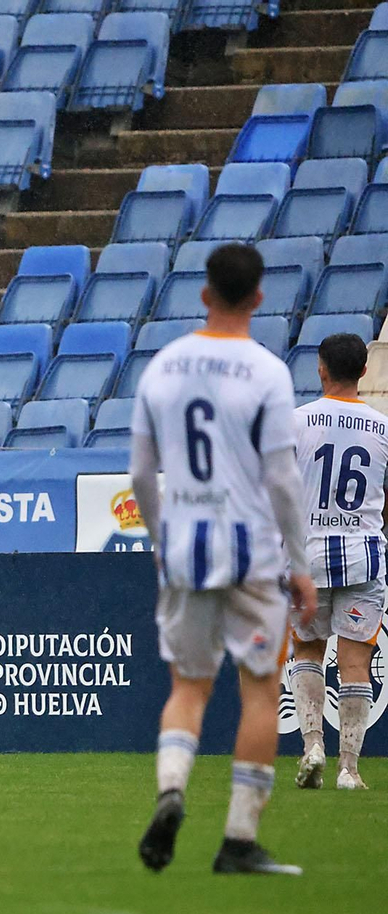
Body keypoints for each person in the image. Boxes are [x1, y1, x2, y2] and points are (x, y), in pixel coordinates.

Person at [130, 243, 318, 876]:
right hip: (251, 555)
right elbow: (283, 481)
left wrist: (163, 542)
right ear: (259, 298)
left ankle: (172, 791)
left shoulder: (163, 366)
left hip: (185, 550)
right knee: (261, 690)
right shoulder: (267, 372)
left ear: (204, 294)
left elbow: (140, 475)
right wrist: (301, 563)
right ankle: (238, 839)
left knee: (189, 686)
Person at [288, 332, 388, 791]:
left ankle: (312, 746)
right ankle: (350, 769)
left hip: (308, 554)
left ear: (321, 369)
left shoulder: (297, 421)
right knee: (355, 664)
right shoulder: (383, 426)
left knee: (307, 650)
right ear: (365, 372)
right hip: (363, 556)